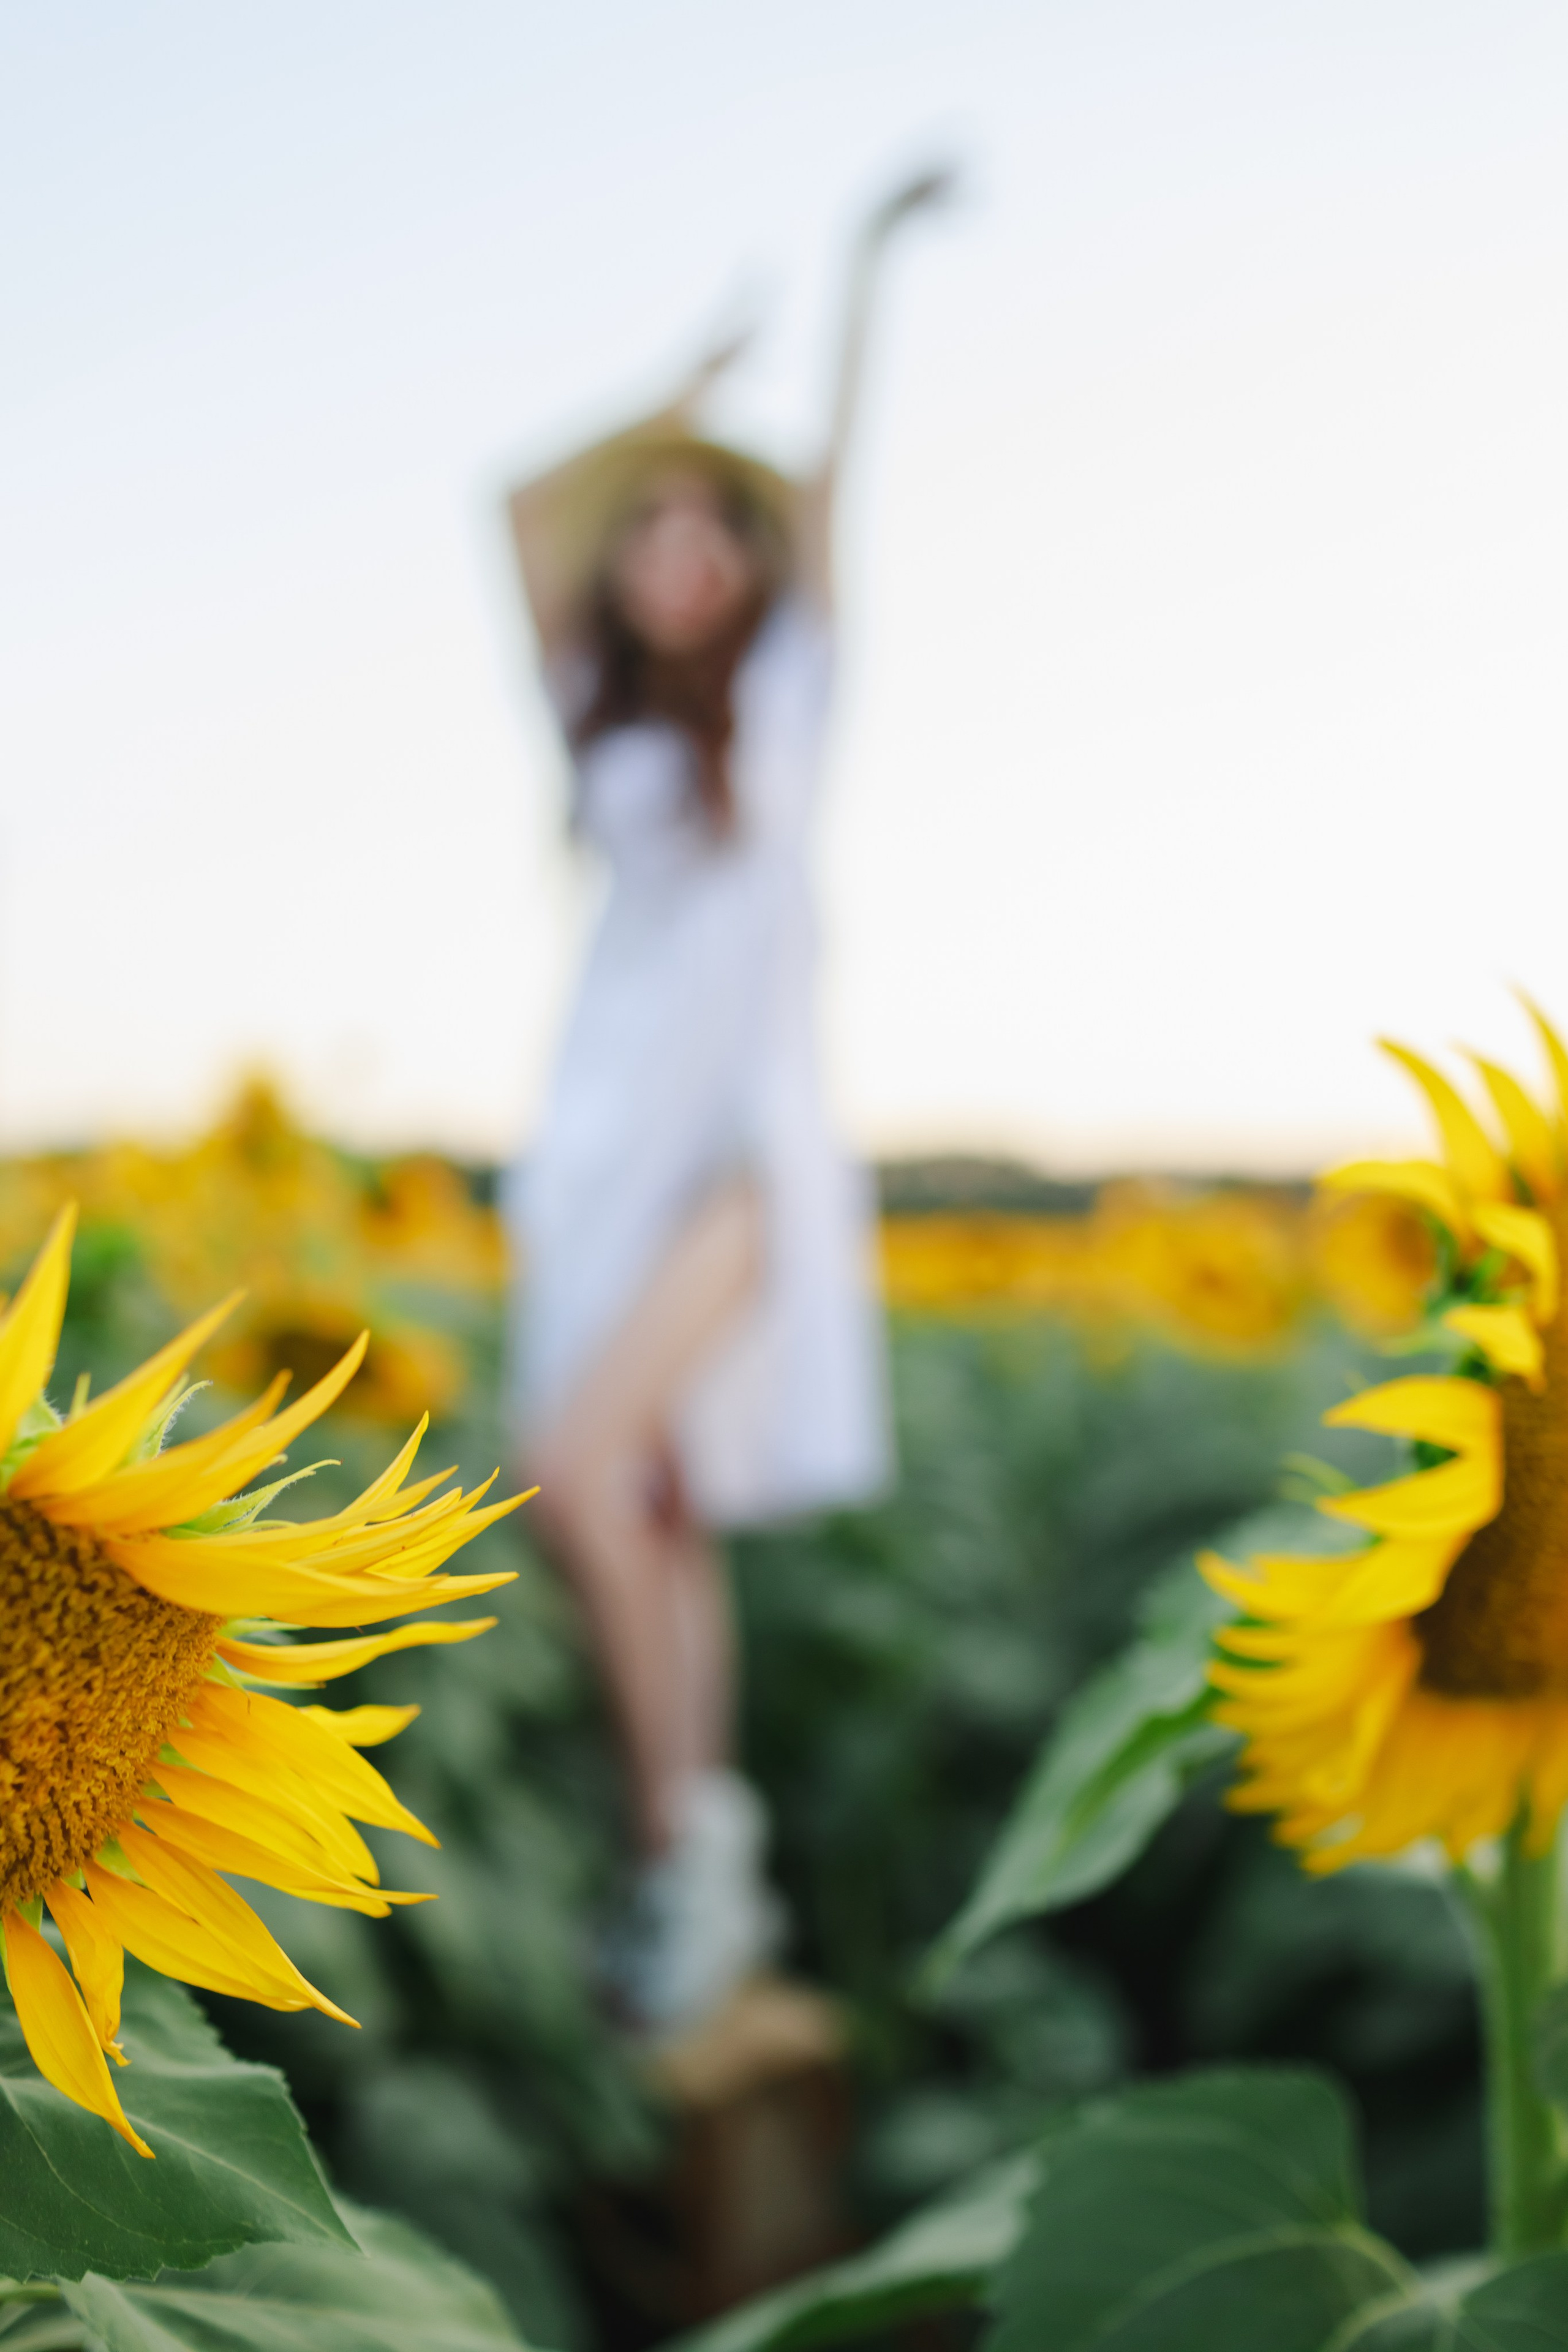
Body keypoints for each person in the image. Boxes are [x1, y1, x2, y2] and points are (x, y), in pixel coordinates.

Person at [505, 171, 951, 2032]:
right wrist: (677, 390)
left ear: (755, 566)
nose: (679, 547)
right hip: (598, 1151)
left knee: (562, 1466)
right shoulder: (590, 715)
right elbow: (511, 502)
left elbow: (838, 479)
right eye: (653, 528)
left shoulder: (790, 692)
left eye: (713, 527)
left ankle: (686, 1856)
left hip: (741, 1152)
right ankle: (693, 1864)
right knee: (648, 1500)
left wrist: (860, 268)